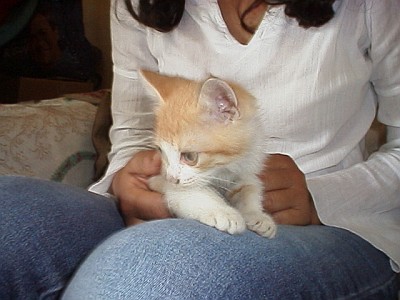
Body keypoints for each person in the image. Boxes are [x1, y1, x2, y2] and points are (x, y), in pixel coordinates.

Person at [0, 0, 399, 299]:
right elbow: (136, 133)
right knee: (11, 213)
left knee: (147, 270)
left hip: (331, 226)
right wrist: (129, 182)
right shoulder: (139, 5)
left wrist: (319, 197)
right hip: (176, 201)